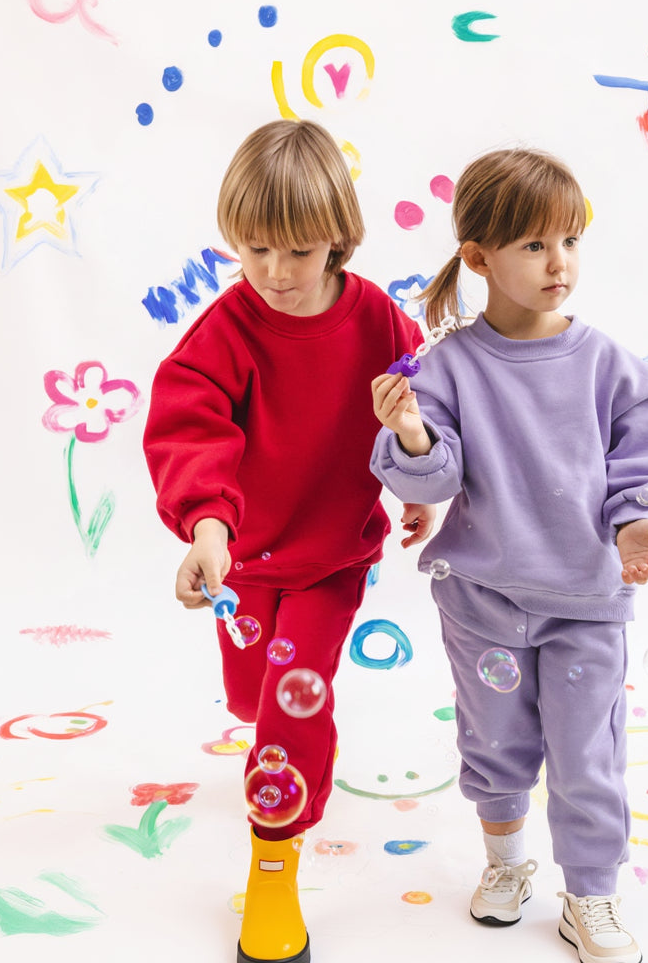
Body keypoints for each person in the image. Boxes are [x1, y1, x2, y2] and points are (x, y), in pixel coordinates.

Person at [369, 147, 648, 963]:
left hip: (584, 601)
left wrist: (637, 524)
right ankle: (507, 865)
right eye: (535, 245)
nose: (560, 264)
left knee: (588, 756)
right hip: (482, 600)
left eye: (571, 241)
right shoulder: (448, 367)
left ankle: (590, 896)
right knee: (494, 746)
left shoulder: (605, 364)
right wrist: (410, 432)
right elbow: (434, 478)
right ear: (479, 258)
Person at [143, 119, 435, 963]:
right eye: (256, 249)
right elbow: (192, 428)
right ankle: (284, 744)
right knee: (251, 696)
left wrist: (419, 481)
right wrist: (207, 531)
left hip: (332, 556)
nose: (275, 271)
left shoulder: (380, 321)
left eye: (299, 251)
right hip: (243, 562)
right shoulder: (226, 330)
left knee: (289, 701)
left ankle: (274, 861)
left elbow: (426, 409)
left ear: (338, 238)